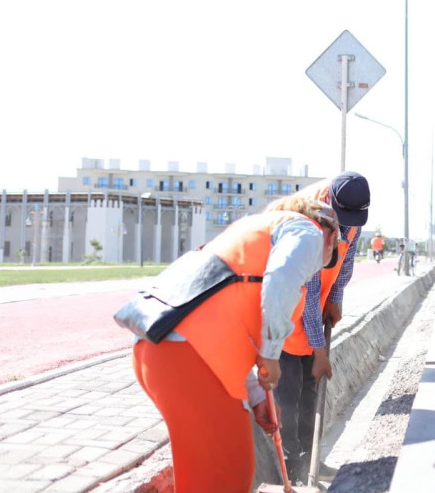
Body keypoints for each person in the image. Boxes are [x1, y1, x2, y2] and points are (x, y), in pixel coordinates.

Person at [117, 196, 340, 492]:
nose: (316, 270)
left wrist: (256, 395)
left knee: (201, 478)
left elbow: (221, 314)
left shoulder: (253, 231)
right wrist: (271, 354)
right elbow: (281, 280)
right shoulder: (309, 231)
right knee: (232, 474)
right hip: (191, 358)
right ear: (332, 236)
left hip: (158, 352)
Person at [273, 171, 370, 483]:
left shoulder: (351, 212)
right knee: (288, 396)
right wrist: (320, 351)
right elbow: (309, 291)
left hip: (314, 302)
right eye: (342, 218)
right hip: (287, 307)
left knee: (311, 390)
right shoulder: (309, 219)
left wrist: (337, 298)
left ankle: (311, 462)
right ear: (330, 201)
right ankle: (290, 470)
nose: (347, 224)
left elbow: (349, 256)